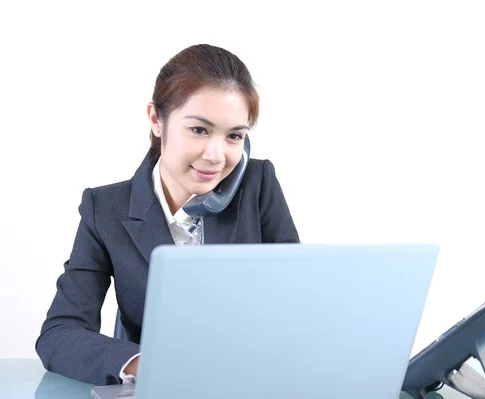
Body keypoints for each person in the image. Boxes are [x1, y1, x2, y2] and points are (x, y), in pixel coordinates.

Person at [35, 44, 300, 386]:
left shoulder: (258, 186)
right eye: (199, 130)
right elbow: (59, 332)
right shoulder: (105, 209)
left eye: (234, 135)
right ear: (156, 120)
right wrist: (146, 365)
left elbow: (297, 303)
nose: (216, 155)